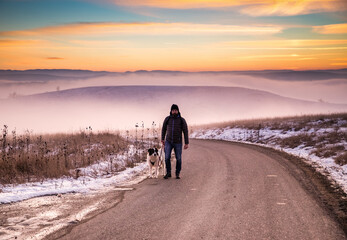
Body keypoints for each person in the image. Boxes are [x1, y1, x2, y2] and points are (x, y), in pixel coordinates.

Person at [161, 104, 189, 179]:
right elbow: (163, 129)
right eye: (173, 110)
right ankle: (168, 172)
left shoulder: (182, 120)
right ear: (171, 111)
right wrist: (162, 139)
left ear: (178, 111)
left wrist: (186, 143)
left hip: (178, 142)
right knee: (167, 157)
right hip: (168, 141)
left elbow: (185, 131)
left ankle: (177, 173)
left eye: (175, 110)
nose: (174, 111)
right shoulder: (167, 119)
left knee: (178, 158)